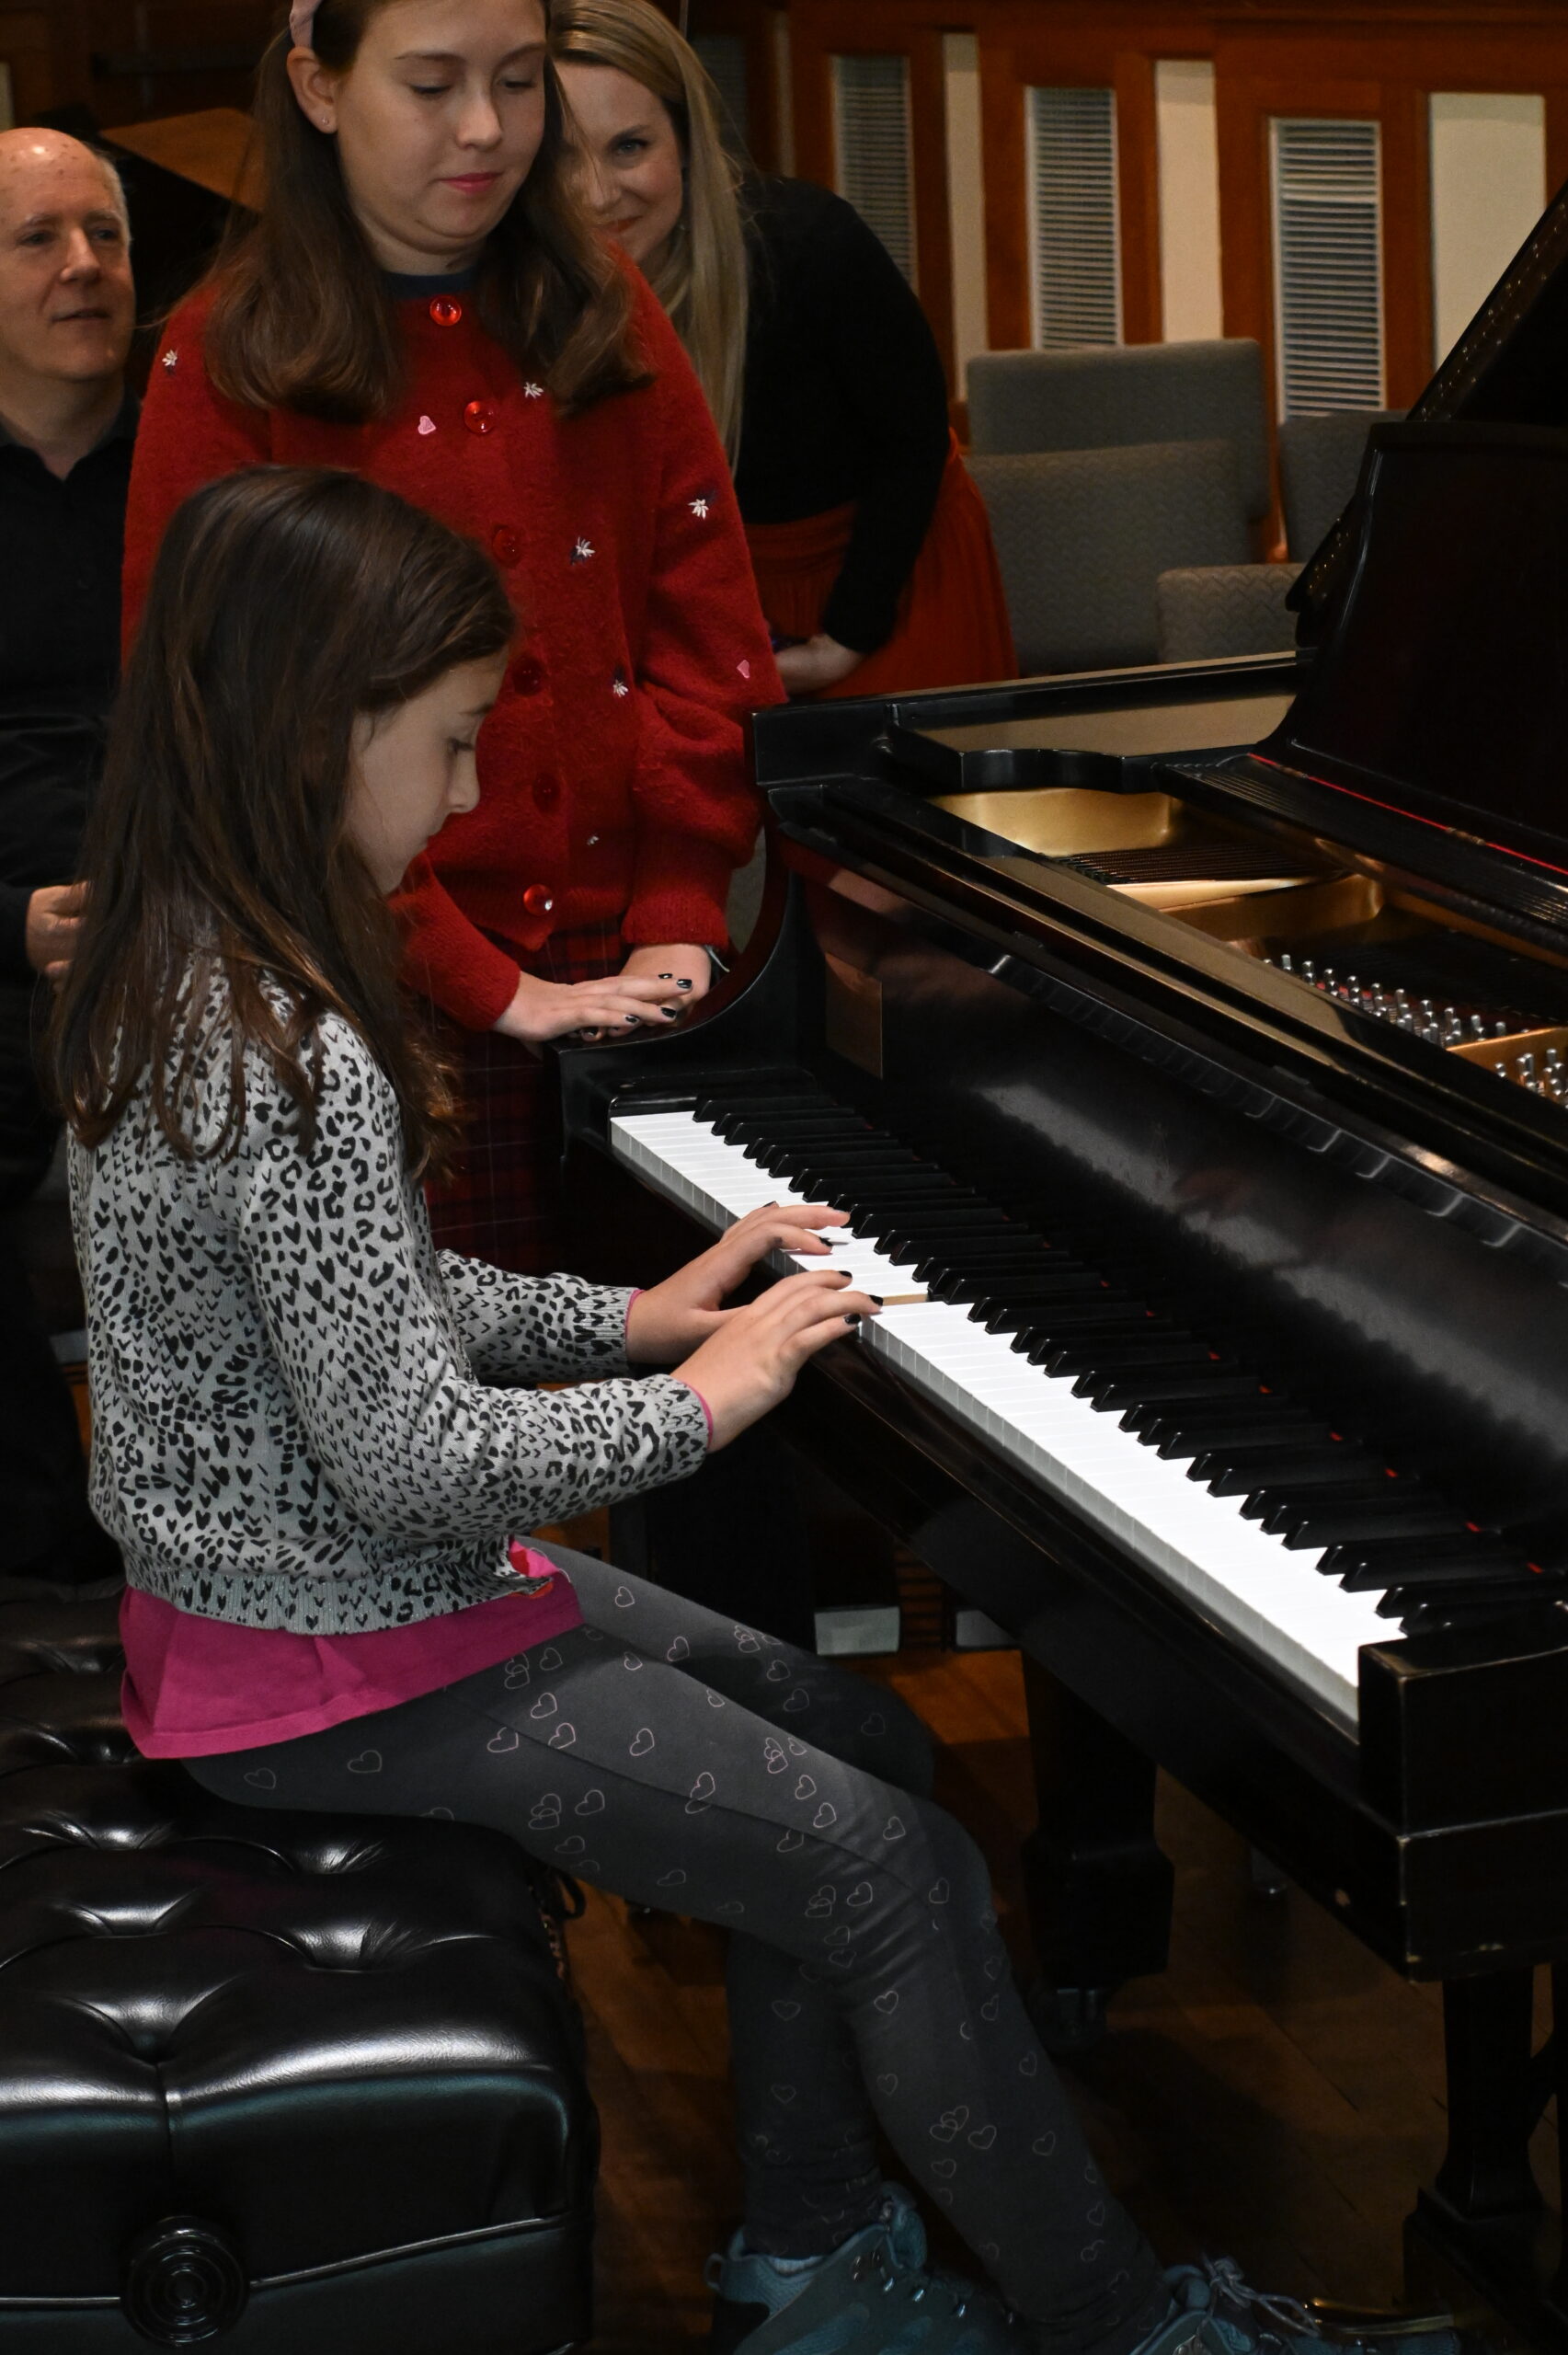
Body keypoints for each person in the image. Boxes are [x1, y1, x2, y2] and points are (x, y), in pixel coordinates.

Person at [58, 463, 1469, 2355]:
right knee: (896, 1865)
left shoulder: (187, 967)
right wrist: (705, 1401)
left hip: (299, 1615)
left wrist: (636, 1315)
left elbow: (365, 1304)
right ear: (321, 727)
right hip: (334, 1660)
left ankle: (811, 2258)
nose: (465, 797)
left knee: (862, 1742)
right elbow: (404, 1460)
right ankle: (1124, 2326)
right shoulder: (283, 1046)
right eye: (452, 741)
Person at [122, 0, 781, 1275]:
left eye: (519, 82)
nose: (485, 129)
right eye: (431, 87)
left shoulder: (607, 305)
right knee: (440, 1375)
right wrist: (480, 981)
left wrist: (679, 904)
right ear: (318, 87)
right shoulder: (231, 349)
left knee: (677, 1345)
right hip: (358, 981)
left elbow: (711, 628)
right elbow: (222, 727)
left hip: (631, 958)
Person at [551, 0, 1018, 701]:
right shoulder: (517, 283)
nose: (594, 195)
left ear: (687, 141)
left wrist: (845, 640)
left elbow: (913, 441)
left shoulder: (810, 246)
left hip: (883, 577)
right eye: (562, 157)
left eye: (629, 148)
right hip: (703, 593)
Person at [0, 127, 136, 1585]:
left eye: (105, 235)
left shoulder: (200, 457)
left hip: (208, 936)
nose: (85, 265)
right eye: (39, 238)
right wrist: (11, 923)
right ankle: (50, 1572)